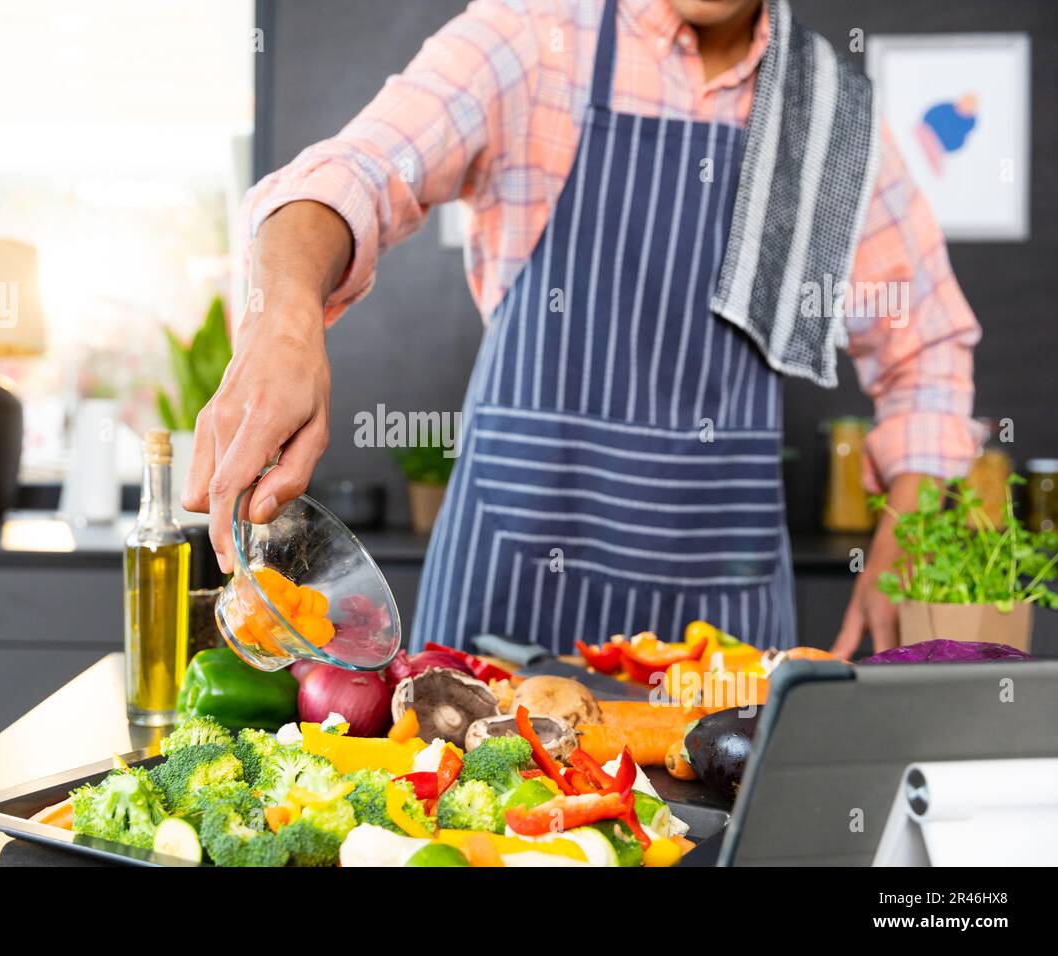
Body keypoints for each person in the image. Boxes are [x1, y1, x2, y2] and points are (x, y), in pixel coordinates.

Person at [182, 0, 981, 659]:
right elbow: (351, 171)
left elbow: (930, 346)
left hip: (723, 630)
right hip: (506, 606)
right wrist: (285, 319)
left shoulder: (832, 111)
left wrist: (902, 546)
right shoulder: (533, 40)